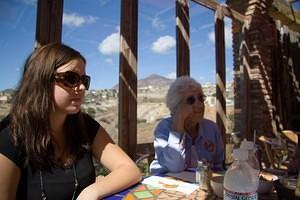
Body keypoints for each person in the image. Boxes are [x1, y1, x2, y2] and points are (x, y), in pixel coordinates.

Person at [0, 43, 141, 200]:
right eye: (71, 78)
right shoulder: (10, 137)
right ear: (41, 81)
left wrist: (92, 192)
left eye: (84, 80)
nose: (81, 87)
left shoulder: (85, 125)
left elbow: (130, 170)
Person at [149, 76, 224, 174]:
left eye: (201, 98)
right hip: (168, 183)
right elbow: (175, 167)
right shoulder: (164, 128)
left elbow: (218, 167)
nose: (200, 105)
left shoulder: (211, 128)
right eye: (191, 100)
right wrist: (179, 120)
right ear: (177, 106)